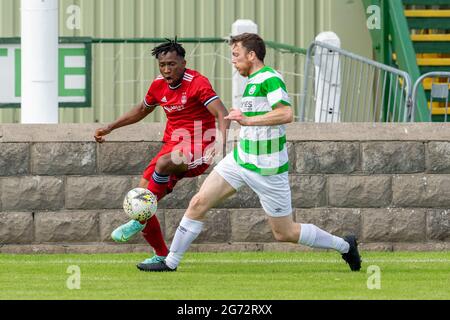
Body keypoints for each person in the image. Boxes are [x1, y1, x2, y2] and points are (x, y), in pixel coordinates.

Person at [140, 33, 362, 273]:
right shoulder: (251, 81)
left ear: (252, 55)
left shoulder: (270, 78)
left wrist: (246, 119)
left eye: (236, 55)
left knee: (284, 232)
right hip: (240, 159)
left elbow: (286, 114)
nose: (233, 61)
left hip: (267, 167)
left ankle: (344, 246)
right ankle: (170, 262)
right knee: (198, 202)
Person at [94, 38, 230, 271]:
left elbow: (221, 112)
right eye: (163, 65)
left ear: (183, 63)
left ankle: (138, 221)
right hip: (172, 144)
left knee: (164, 166)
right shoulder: (158, 85)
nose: (167, 70)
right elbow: (141, 110)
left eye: (172, 64)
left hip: (199, 145)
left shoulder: (197, 83)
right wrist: (111, 127)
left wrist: (221, 142)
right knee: (140, 195)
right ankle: (161, 256)